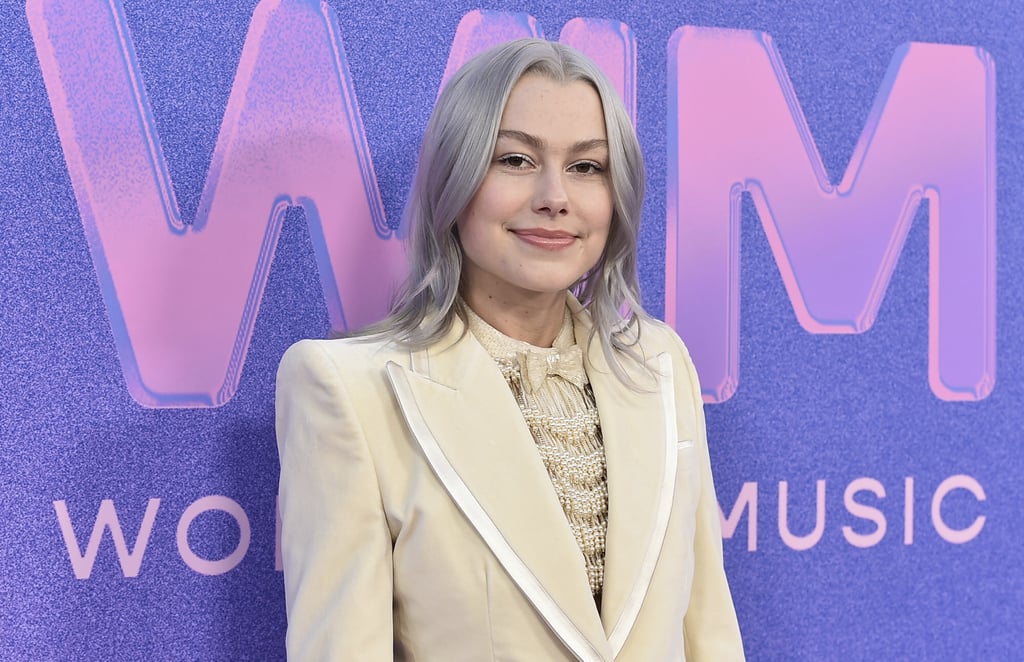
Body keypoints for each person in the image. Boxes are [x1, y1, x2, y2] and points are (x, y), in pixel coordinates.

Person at [275, 38, 744, 661]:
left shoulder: (659, 365)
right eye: (516, 160)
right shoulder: (348, 390)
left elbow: (707, 635)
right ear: (456, 179)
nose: (555, 196)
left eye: (587, 167)